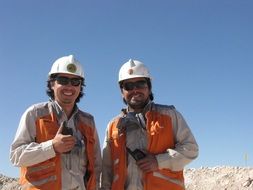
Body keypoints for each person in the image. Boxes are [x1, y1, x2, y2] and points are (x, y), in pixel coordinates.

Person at [101, 59, 199, 190]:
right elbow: (107, 170)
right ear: (122, 91)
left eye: (140, 84)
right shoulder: (113, 125)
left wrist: (159, 161)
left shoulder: (170, 115)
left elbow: (191, 149)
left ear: (149, 87)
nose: (135, 90)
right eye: (128, 86)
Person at [10, 55, 102, 190]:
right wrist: (52, 147)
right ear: (52, 84)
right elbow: (16, 156)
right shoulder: (35, 114)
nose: (69, 86)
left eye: (75, 81)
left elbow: (97, 165)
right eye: (63, 80)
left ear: (80, 87)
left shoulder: (88, 122)